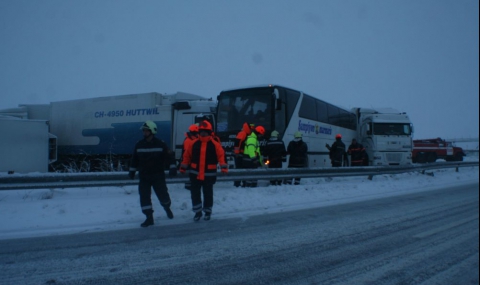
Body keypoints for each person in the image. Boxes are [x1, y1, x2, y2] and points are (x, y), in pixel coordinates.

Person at [128, 120, 177, 227]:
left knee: (163, 195)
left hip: (158, 176)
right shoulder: (139, 145)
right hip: (144, 176)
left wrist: (173, 168)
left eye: (146, 131)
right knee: (144, 197)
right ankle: (149, 217)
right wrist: (132, 171)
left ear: (152, 131)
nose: (144, 133)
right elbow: (134, 159)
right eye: (144, 131)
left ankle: (167, 207)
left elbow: (170, 157)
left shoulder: (161, 144)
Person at [179, 120, 228, 221]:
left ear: (209, 132)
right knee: (195, 194)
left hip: (208, 175)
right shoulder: (193, 143)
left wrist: (223, 166)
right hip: (195, 174)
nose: (203, 133)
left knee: (208, 194)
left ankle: (207, 212)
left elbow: (221, 156)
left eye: (205, 131)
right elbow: (186, 156)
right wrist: (183, 167)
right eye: (201, 131)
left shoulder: (215, 144)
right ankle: (197, 212)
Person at [233, 122, 254, 187]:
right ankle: (237, 184)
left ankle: (242, 183)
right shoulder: (242, 133)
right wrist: (237, 153)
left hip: (242, 154)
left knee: (243, 169)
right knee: (239, 169)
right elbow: (237, 143)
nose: (252, 130)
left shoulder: (246, 134)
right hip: (239, 154)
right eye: (251, 128)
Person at [181, 124, 199, 190]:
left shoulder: (192, 139)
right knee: (189, 175)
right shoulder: (188, 140)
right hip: (189, 162)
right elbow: (187, 153)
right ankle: (189, 186)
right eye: (197, 132)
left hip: (191, 162)